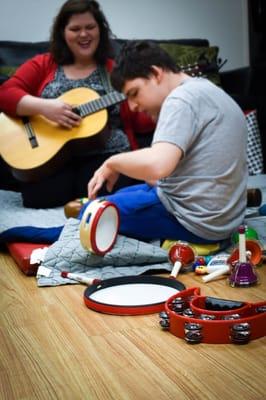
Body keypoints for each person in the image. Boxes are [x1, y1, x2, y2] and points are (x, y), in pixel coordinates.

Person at [84, 40, 248, 244]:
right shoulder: (209, 90)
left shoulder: (180, 99)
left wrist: (112, 162)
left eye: (134, 93)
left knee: (90, 213)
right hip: (227, 221)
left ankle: (32, 233)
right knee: (123, 194)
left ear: (155, 74)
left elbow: (158, 166)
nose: (133, 106)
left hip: (197, 224)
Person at [0, 0, 152, 208]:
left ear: (100, 30)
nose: (84, 35)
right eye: (75, 29)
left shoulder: (115, 70)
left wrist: (157, 101)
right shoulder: (44, 64)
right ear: (63, 33)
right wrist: (45, 108)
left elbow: (141, 122)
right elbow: (5, 93)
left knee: (106, 199)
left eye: (90, 27)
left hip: (107, 154)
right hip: (52, 155)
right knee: (38, 198)